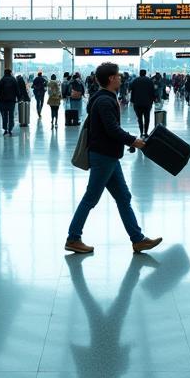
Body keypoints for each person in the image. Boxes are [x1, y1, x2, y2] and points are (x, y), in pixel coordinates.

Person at [65, 62, 162, 256]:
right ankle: (73, 238)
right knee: (91, 198)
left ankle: (138, 240)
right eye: (118, 76)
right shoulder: (104, 101)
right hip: (103, 156)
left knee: (123, 197)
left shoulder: (103, 98)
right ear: (111, 79)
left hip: (108, 156)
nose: (120, 78)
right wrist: (133, 141)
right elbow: (111, 129)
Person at [130, 68, 157, 137]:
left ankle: (141, 132)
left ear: (139, 73)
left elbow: (131, 89)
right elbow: (153, 91)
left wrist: (132, 100)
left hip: (137, 103)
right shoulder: (149, 81)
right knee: (147, 118)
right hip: (147, 103)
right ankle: (146, 132)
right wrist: (154, 99)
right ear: (145, 73)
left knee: (139, 118)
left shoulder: (135, 80)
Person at [0, 68, 19, 136]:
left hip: (3, 101)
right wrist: (18, 97)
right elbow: (17, 90)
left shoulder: (2, 80)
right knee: (11, 115)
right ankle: (10, 129)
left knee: (4, 115)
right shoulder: (13, 80)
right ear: (10, 73)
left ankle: (5, 129)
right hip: (11, 101)